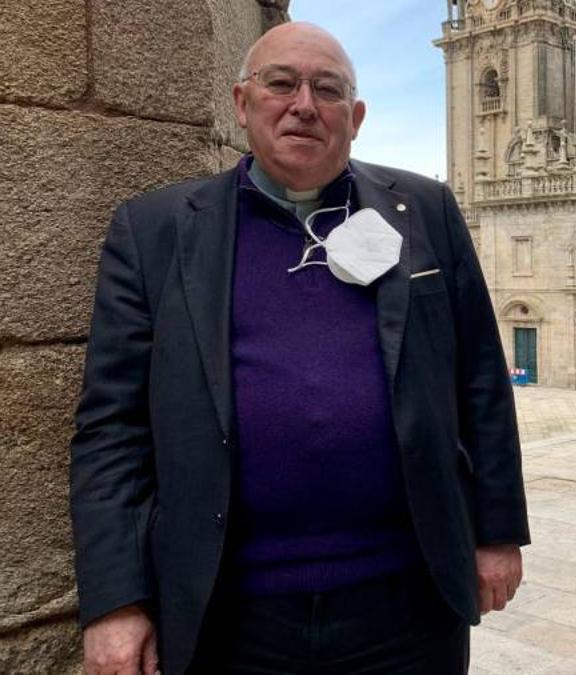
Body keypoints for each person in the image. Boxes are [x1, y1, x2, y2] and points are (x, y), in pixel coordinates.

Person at [69, 22, 529, 675]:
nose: (304, 104)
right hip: (228, 611)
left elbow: (480, 381)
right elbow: (110, 429)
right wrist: (116, 601)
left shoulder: (424, 209)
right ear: (241, 103)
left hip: (409, 603)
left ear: (356, 115)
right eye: (280, 84)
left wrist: (498, 530)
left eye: (328, 89)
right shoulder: (155, 231)